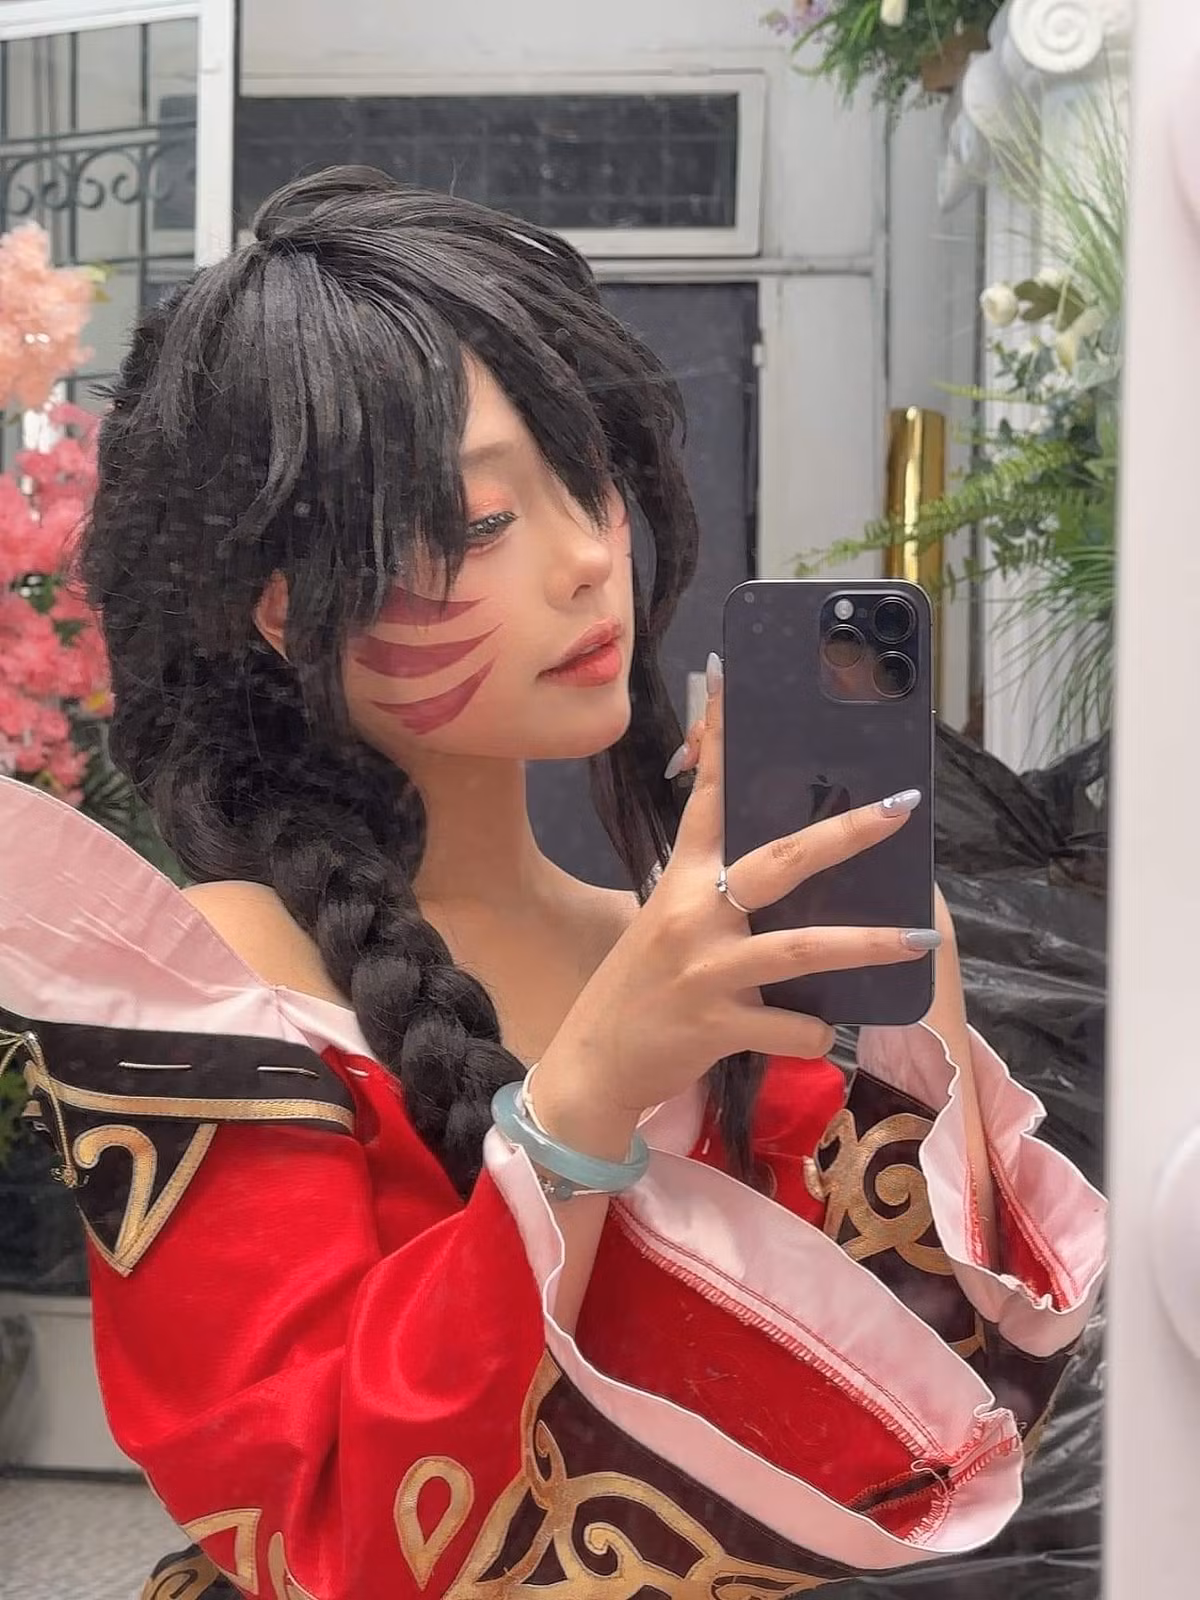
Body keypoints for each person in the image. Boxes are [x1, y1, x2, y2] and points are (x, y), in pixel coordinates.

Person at [0, 168, 1105, 1600]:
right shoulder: (221, 985)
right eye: (477, 522)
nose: (590, 560)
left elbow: (942, 1435)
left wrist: (919, 1001)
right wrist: (585, 1102)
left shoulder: (667, 960)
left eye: (588, 480)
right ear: (282, 606)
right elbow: (325, 1527)